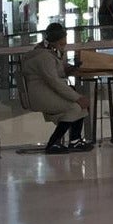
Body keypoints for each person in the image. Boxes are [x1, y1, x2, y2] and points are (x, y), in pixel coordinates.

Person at [21, 22, 93, 154]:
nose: (63, 47)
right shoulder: (44, 57)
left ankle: (75, 140)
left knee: (81, 105)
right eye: (61, 44)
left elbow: (57, 73)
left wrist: (71, 68)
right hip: (41, 96)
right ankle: (53, 142)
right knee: (75, 106)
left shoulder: (47, 53)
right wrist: (77, 98)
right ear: (54, 43)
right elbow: (54, 81)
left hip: (45, 92)